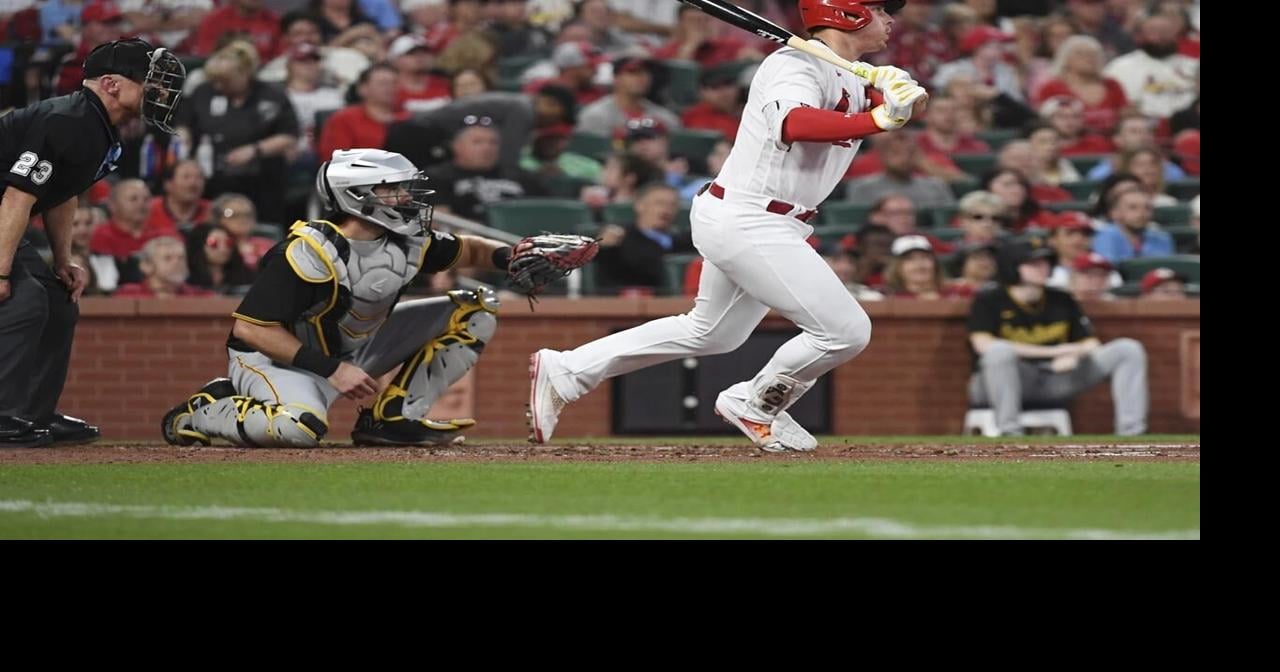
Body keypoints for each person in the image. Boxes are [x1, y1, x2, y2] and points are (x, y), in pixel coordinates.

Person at [527, 0, 929, 451]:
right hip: (750, 217)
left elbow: (879, 106)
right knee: (845, 331)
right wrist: (878, 118)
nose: (891, 19)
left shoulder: (847, 73)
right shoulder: (794, 63)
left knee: (712, 331)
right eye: (880, 10)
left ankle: (568, 370)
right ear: (848, 14)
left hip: (766, 219)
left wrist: (897, 95)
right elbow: (793, 122)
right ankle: (756, 403)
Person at [160, 149, 584, 448]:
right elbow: (250, 328)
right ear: (357, 196)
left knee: (476, 305)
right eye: (394, 190)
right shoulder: (310, 249)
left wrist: (508, 257)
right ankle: (203, 409)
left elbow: (466, 249)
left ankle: (393, 419)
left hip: (351, 348)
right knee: (300, 428)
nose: (408, 198)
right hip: (273, 359)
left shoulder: (407, 238)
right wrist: (332, 371)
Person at [0, 37, 185, 447]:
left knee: (57, 298)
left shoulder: (96, 124)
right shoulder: (66, 119)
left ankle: (32, 415)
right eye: (151, 83)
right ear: (112, 84)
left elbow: (63, 192)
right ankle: (2, 415)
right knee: (24, 300)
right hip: (4, 209)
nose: (162, 93)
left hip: (4, 213)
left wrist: (63, 259)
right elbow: (17, 196)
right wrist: (0, 270)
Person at [967, 240, 1149, 436]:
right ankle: (1009, 432)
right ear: (1013, 266)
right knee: (999, 352)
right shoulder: (990, 299)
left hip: (1055, 378)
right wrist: (1057, 352)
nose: (1042, 268)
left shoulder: (1061, 298)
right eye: (1033, 263)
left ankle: (1131, 433)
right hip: (1002, 382)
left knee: (1127, 349)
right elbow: (983, 345)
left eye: (1045, 262)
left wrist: (1075, 354)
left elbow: (1091, 343)